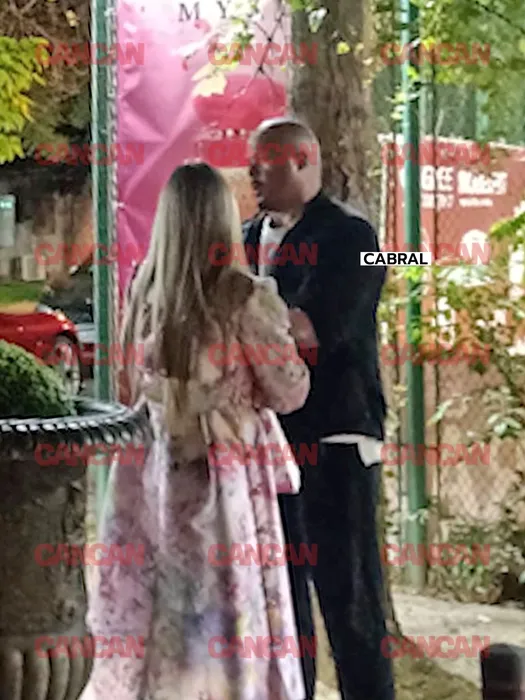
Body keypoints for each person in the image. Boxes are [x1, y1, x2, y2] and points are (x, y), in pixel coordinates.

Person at [80, 163, 312, 700]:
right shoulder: (243, 296)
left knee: (153, 598)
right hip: (223, 475)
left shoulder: (145, 287)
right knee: (224, 608)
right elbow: (290, 391)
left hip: (149, 470)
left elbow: (129, 382)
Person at [243, 117, 395, 700]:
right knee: (283, 605)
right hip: (268, 448)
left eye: (265, 161)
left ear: (304, 160)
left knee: (350, 600)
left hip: (336, 441)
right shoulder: (244, 237)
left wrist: (245, 323)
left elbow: (315, 332)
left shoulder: (354, 239)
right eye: (250, 162)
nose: (253, 173)